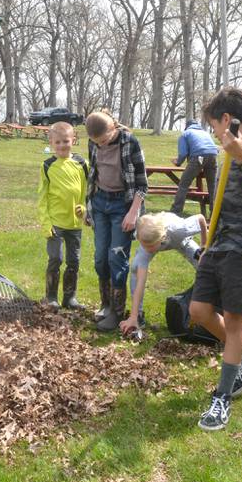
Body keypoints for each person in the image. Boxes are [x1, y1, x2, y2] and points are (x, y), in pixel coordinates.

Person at [189, 88, 242, 431]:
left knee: (236, 323)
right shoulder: (229, 148)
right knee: (198, 312)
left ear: (228, 120)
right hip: (220, 244)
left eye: (213, 125)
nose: (212, 132)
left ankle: (221, 398)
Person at [85, 111, 148, 332]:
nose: (100, 145)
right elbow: (93, 175)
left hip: (123, 205)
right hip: (100, 203)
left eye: (103, 140)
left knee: (116, 258)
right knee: (100, 258)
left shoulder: (129, 142)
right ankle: (105, 305)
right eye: (96, 142)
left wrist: (133, 212)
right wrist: (89, 206)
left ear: (113, 129)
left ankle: (116, 312)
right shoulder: (93, 144)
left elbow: (142, 184)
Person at [119, 212, 207, 336]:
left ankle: (209, 313)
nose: (146, 249)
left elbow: (201, 219)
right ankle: (137, 316)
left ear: (161, 239)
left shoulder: (180, 229)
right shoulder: (145, 240)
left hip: (182, 241)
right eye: (143, 244)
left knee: (206, 268)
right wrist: (132, 316)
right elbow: (140, 281)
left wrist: (204, 247)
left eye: (149, 246)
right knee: (135, 268)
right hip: (158, 237)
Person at [38, 122, 88, 309]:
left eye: (65, 141)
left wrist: (84, 209)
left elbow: (86, 191)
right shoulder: (47, 166)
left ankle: (70, 298)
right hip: (55, 224)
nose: (62, 146)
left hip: (74, 225)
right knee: (56, 259)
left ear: (73, 140)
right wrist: (45, 223)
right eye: (57, 142)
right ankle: (51, 297)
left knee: (73, 261)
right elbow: (42, 197)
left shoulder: (82, 164)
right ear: (51, 142)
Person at [171, 119, 218, 216]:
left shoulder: (186, 134)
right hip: (213, 156)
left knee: (183, 185)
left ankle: (176, 211)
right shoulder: (205, 133)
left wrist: (178, 162)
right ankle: (215, 213)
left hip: (198, 157)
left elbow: (183, 153)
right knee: (212, 186)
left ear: (186, 126)